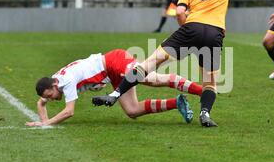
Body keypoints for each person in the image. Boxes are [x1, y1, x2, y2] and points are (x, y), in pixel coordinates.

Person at [92, 0, 258, 127]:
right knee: (210, 81)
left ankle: (115, 95)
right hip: (214, 33)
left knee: (150, 63)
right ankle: (205, 114)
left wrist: (186, 29)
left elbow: (179, 11)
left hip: (191, 28)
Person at [25, 49, 202, 127]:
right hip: (111, 74)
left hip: (114, 61)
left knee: (153, 80)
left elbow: (69, 112)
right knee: (132, 111)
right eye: (50, 96)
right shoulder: (55, 82)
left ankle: (203, 91)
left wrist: (47, 123)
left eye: (52, 94)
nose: (54, 98)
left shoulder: (66, 81)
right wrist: (43, 121)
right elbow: (41, 103)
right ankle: (177, 103)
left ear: (54, 84)